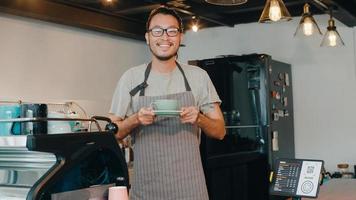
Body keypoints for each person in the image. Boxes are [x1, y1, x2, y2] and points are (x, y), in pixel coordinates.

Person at [109, 6, 225, 200]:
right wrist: (136, 119)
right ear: (147, 37)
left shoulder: (198, 77)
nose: (165, 37)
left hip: (190, 190)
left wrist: (200, 119)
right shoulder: (131, 78)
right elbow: (112, 134)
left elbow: (220, 131)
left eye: (172, 31)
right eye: (157, 31)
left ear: (180, 37)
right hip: (146, 190)